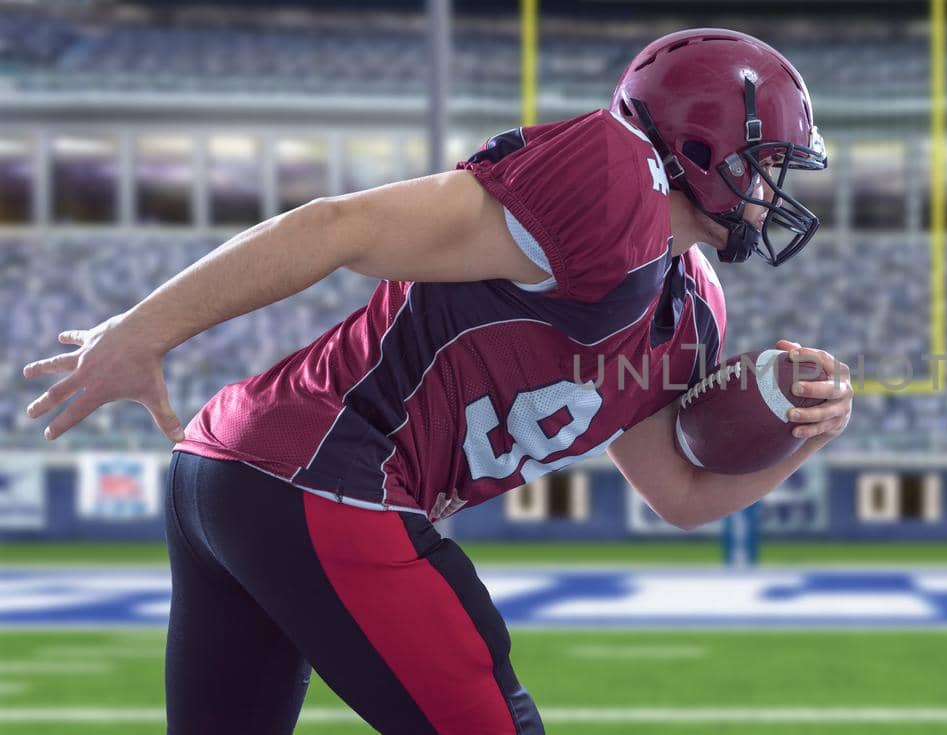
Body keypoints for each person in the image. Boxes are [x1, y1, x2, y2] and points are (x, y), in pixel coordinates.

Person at [21, 28, 850, 735]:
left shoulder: (692, 309)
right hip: (325, 477)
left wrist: (806, 433)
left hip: (237, 473)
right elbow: (339, 225)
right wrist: (143, 330)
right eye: (768, 163)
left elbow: (679, 493)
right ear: (703, 148)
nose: (775, 192)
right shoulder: (613, 182)